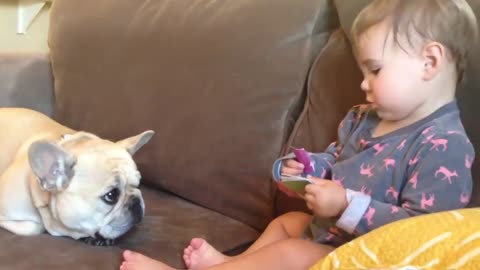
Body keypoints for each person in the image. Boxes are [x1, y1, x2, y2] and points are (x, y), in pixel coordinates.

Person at [119, 1, 478, 269]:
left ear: (429, 62)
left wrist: (345, 205)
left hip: (368, 258)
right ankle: (230, 265)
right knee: (287, 223)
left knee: (292, 252)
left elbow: (422, 233)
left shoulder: (444, 146)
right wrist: (305, 168)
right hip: (331, 232)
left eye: (375, 70)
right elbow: (338, 159)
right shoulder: (364, 118)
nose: (363, 83)